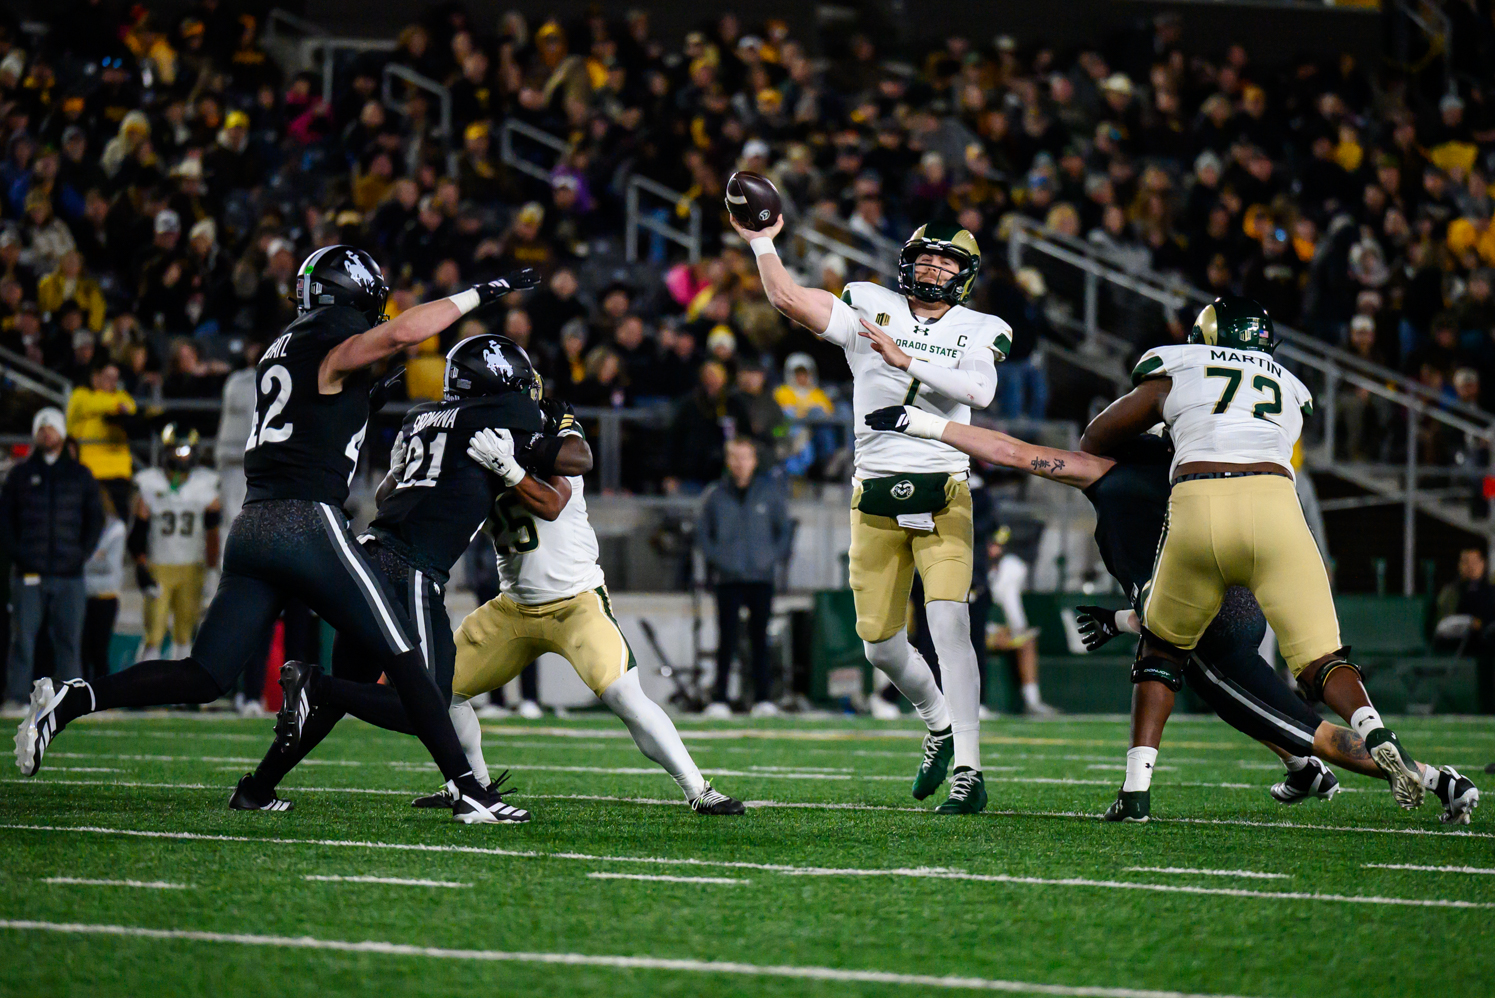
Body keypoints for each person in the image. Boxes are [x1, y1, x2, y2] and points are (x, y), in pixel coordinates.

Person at [15, 246, 540, 825]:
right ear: (355, 297)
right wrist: (483, 292)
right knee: (406, 657)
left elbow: (315, 411)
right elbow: (402, 335)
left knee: (206, 673)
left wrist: (367, 401)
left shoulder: (280, 348)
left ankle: (78, 698)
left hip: (254, 524)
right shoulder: (332, 337)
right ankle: (469, 789)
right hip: (305, 523)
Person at [865, 403, 1481, 825]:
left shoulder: (1105, 471)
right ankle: (1300, 769)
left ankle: (1432, 779)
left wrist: (925, 424)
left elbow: (1011, 451)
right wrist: (1119, 619)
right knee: (1226, 678)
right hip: (1235, 591)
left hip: (1204, 618)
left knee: (1285, 713)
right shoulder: (1195, 473)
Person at [1075, 294, 1429, 815]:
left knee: (1164, 648)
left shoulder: (1178, 363)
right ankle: (1374, 729)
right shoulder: (1292, 386)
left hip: (1200, 504)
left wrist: (1164, 426)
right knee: (1320, 659)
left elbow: (1095, 438)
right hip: (1278, 507)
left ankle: (1135, 791)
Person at [738, 211, 1010, 814]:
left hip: (944, 488)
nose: (932, 267)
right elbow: (786, 298)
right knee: (880, 646)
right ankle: (937, 723)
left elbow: (980, 393)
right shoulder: (869, 304)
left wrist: (904, 358)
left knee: (948, 625)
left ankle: (970, 768)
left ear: (964, 275)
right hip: (875, 495)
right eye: (925, 255)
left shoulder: (980, 327)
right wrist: (762, 242)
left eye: (946, 260)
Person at [232, 335, 564, 819]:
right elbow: (573, 462)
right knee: (424, 703)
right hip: (410, 568)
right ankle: (467, 792)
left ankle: (258, 787)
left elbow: (388, 496)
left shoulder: (419, 417)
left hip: (371, 555)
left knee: (350, 690)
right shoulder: (502, 418)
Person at [405, 396, 745, 815]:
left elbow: (554, 499)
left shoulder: (548, 441)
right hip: (513, 606)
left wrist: (510, 468)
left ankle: (698, 788)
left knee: (623, 694)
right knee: (441, 689)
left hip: (575, 602)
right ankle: (472, 786)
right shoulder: (474, 446)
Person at [0, 408, 103, 705]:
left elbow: (94, 520)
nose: (47, 433)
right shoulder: (20, 474)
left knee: (69, 641)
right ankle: (16, 696)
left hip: (69, 572)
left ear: (62, 432)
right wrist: (20, 555)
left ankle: (70, 700)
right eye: (42, 428)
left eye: (52, 427)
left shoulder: (80, 475)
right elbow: (5, 520)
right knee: (22, 640)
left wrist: (81, 554)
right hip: (28, 572)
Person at [700, 437, 794, 716]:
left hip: (761, 578)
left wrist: (769, 558)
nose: (740, 464)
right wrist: (721, 560)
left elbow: (785, 531)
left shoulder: (770, 493)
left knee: (759, 639)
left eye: (745, 457)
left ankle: (763, 699)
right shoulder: (715, 494)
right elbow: (703, 534)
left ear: (754, 461)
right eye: (735, 457)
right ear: (728, 461)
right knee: (726, 639)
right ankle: (720, 699)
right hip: (728, 579)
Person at [129, 425, 221, 662]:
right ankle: (143, 691)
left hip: (193, 567)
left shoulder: (205, 485)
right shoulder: (150, 484)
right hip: (159, 565)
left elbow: (213, 533)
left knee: (184, 635)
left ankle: (182, 694)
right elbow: (137, 533)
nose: (181, 456)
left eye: (186, 450)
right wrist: (140, 566)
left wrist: (212, 570)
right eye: (176, 450)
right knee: (153, 636)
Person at [64, 361, 136, 517]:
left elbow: (132, 408)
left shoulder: (122, 396)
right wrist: (116, 407)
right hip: (91, 471)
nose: (112, 382)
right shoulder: (81, 395)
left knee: (119, 522)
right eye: (107, 377)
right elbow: (92, 404)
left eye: (115, 378)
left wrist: (117, 405)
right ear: (95, 377)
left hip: (119, 472)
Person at [81, 491, 127, 685]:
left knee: (99, 650)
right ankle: (81, 698)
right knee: (82, 650)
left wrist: (82, 560)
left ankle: (103, 697)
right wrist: (95, 556)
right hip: (82, 595)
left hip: (105, 596)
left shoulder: (116, 528)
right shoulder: (80, 524)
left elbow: (109, 564)